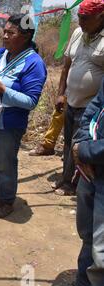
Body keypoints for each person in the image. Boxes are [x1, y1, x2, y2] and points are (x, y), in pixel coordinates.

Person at [0, 14, 47, 219]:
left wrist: (2, 88)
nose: (4, 36)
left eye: (10, 33)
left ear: (24, 36)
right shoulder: (0, 54)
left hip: (8, 123)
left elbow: (31, 101)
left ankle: (6, 200)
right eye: (4, 31)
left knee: (5, 163)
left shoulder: (34, 63)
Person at [38, 0, 104, 197]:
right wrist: (60, 93)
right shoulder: (77, 33)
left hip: (92, 105)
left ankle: (73, 184)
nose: (80, 21)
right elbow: (66, 66)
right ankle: (66, 179)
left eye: (85, 18)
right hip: (71, 101)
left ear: (100, 17)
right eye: (79, 17)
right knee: (68, 143)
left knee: (81, 143)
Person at [51, 77, 104, 286]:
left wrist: (86, 150)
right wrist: (80, 142)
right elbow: (96, 105)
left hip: (94, 162)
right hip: (91, 170)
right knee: (88, 236)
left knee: (102, 258)